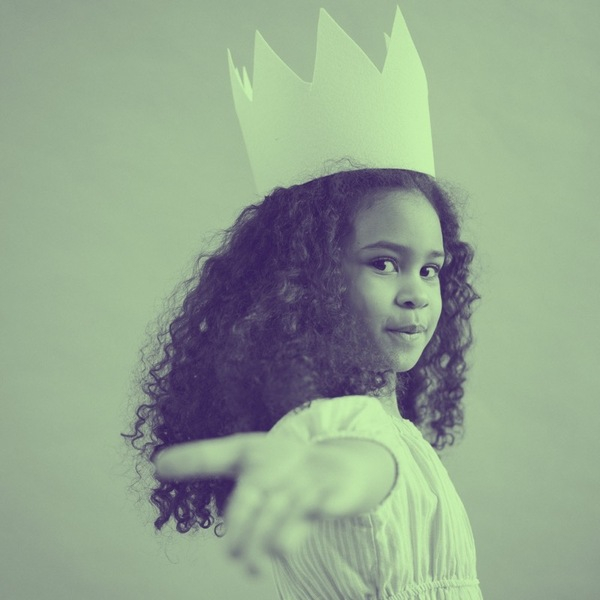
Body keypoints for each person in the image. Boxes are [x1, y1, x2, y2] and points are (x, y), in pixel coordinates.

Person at [122, 6, 484, 598]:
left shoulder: (393, 429)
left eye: (431, 269)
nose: (417, 293)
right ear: (309, 278)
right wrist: (329, 471)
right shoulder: (340, 429)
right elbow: (359, 462)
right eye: (383, 263)